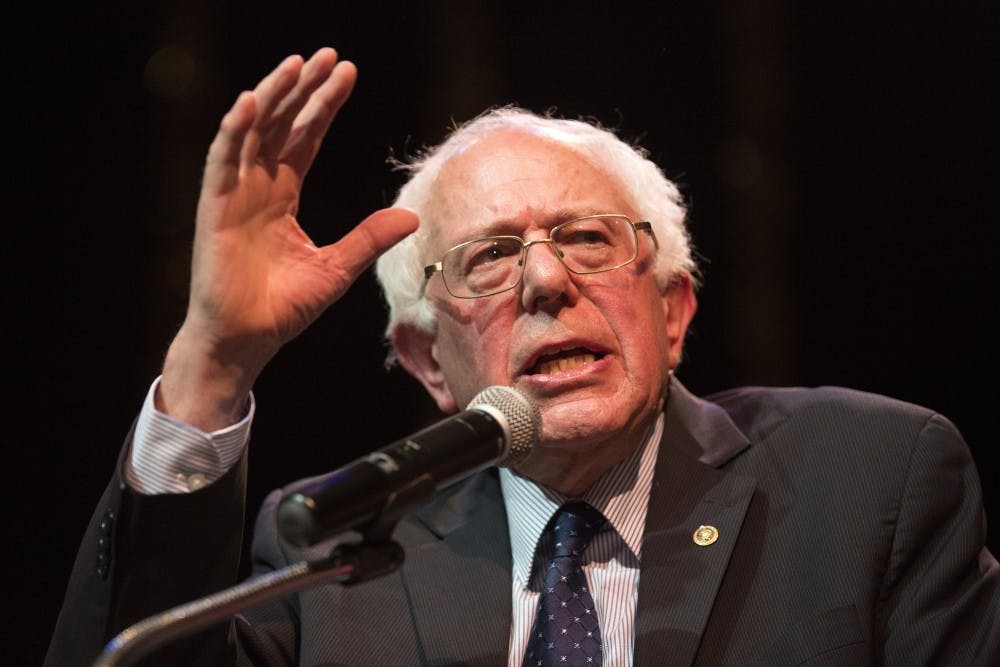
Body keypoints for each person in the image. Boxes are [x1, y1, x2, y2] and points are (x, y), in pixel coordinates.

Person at [47, 48, 998, 666]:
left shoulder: (868, 479)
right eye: (492, 256)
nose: (546, 279)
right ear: (427, 361)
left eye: (586, 238)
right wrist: (211, 365)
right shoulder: (335, 554)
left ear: (672, 311)